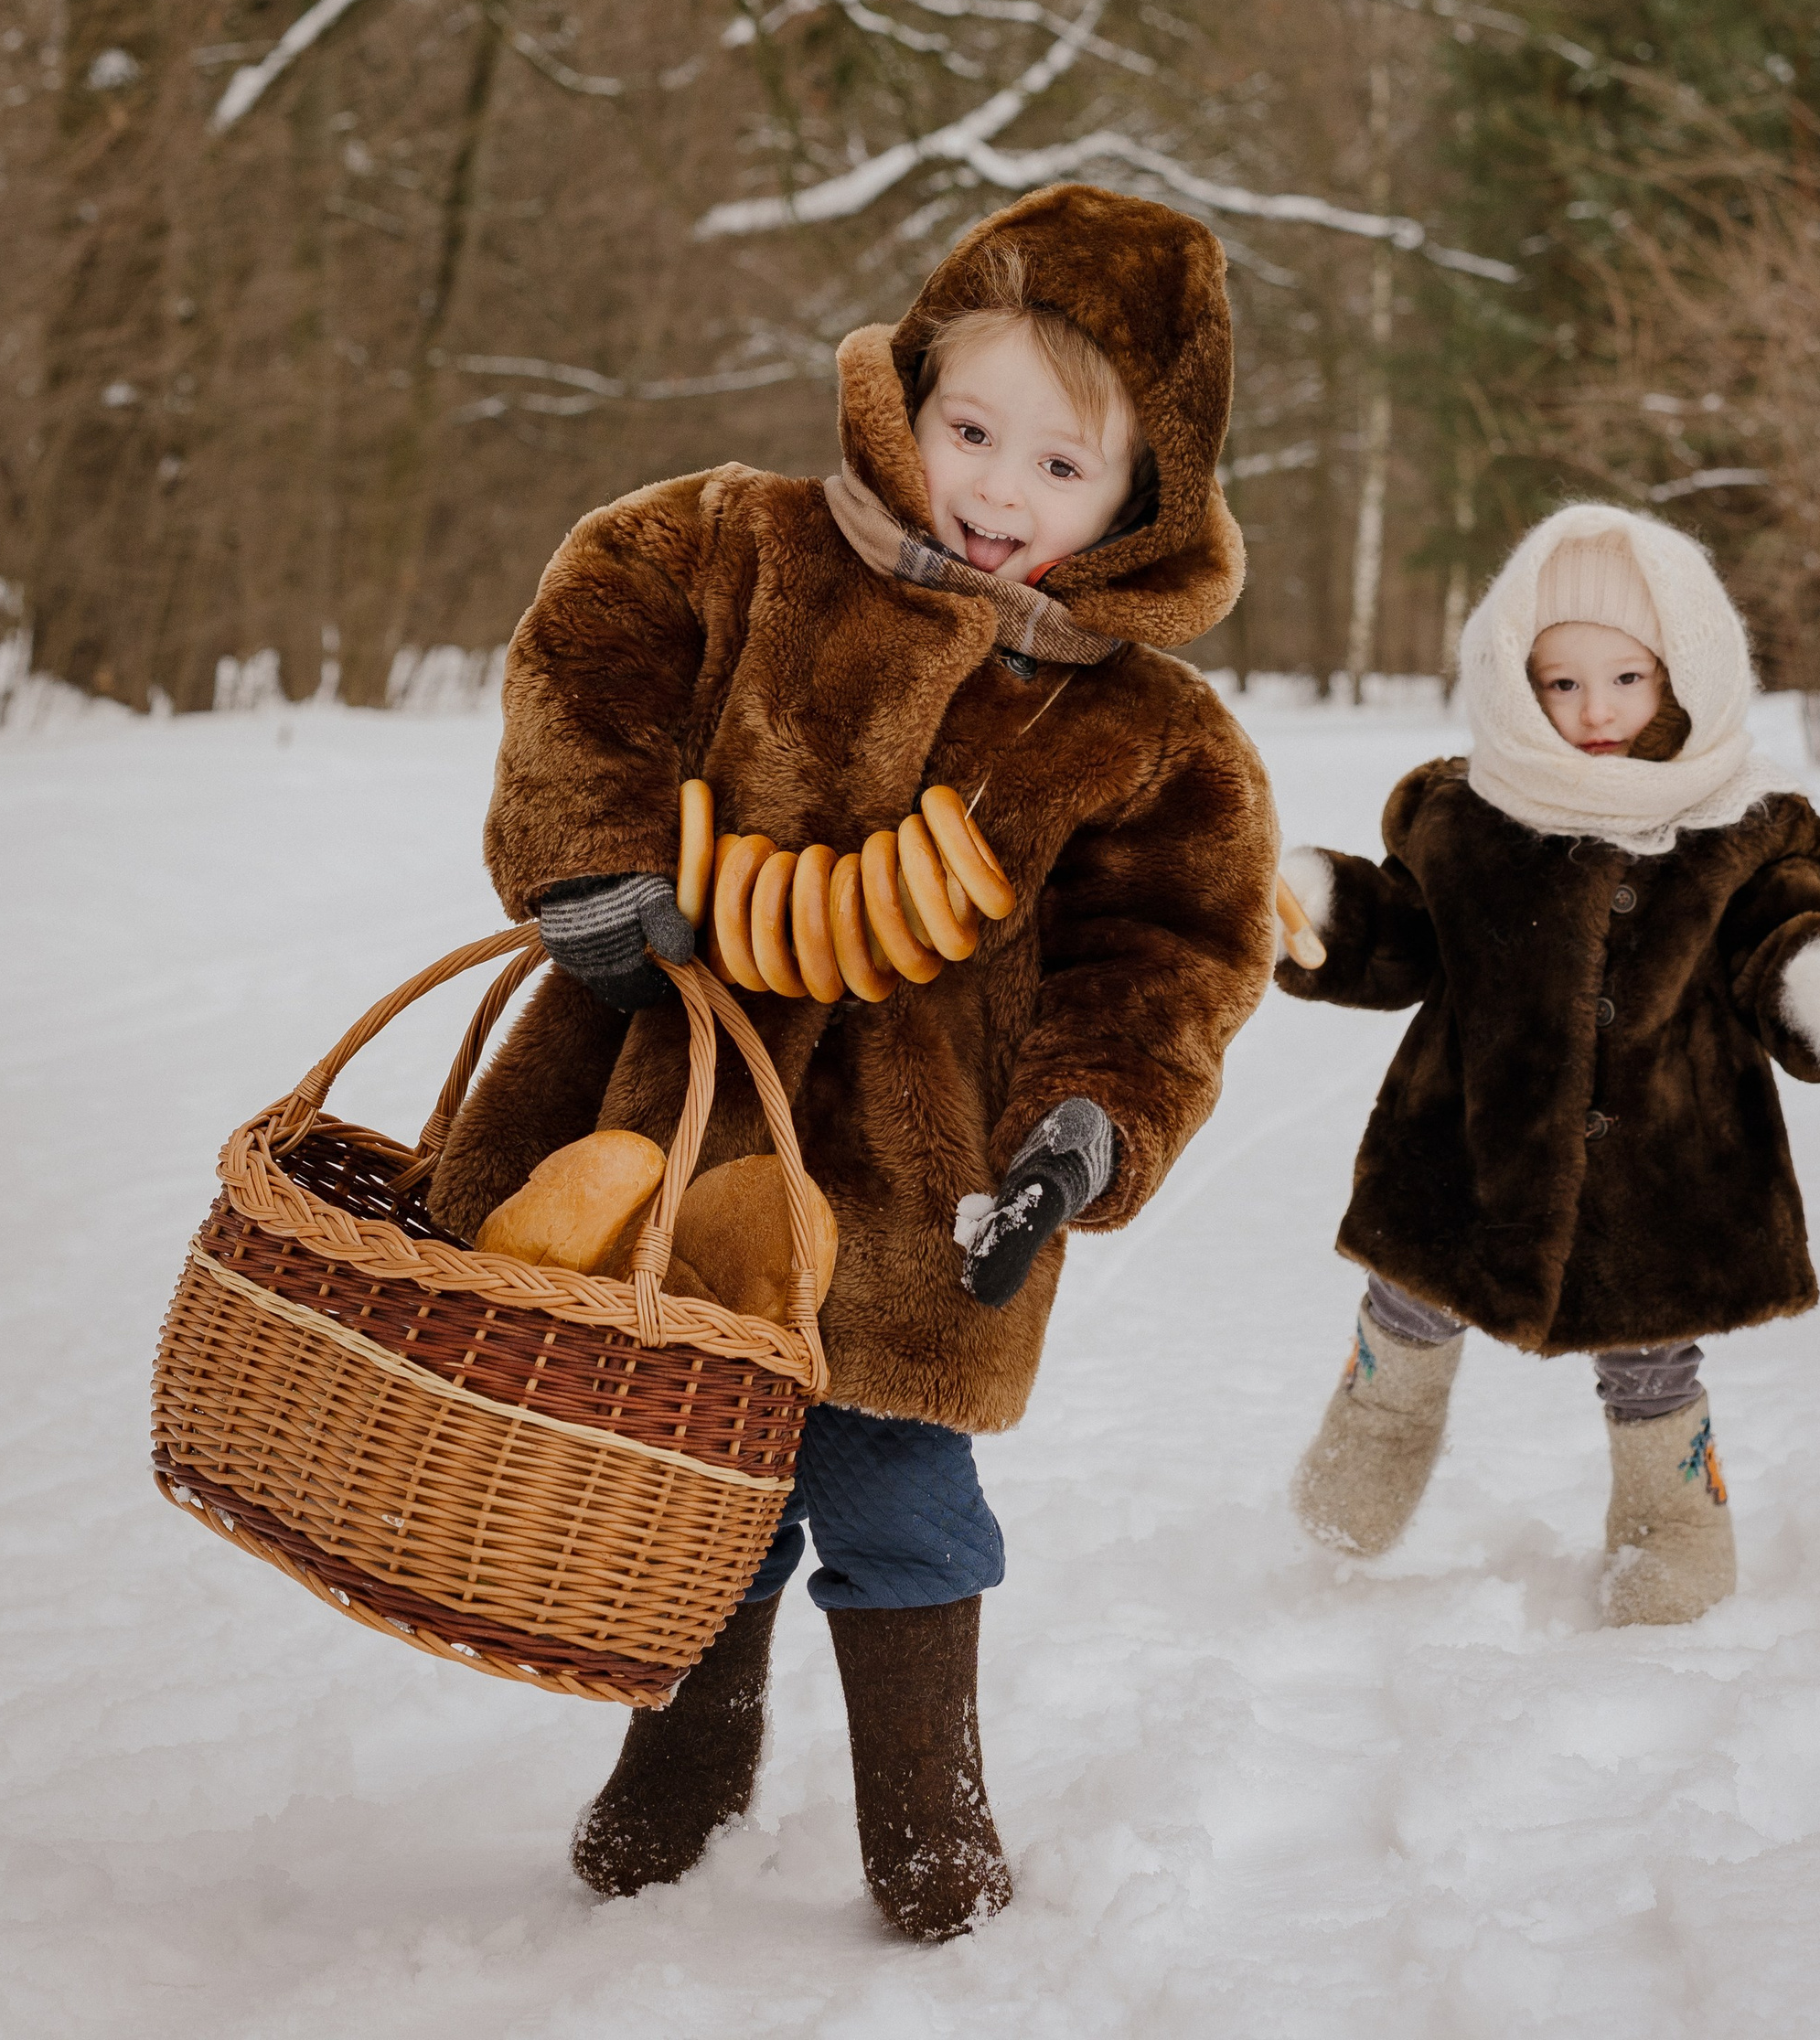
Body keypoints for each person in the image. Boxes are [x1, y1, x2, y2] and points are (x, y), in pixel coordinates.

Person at [425, 183, 1276, 1938]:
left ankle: (927, 1801)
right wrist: (593, 858)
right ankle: (689, 1751)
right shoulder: (733, 546)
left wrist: (1089, 1128)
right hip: (667, 1104)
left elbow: (1167, 956)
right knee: (691, 1454)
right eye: (974, 430)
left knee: (892, 1475)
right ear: (910, 393)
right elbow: (587, 659)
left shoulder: (1141, 733)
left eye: (1062, 468)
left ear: (1141, 501)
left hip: (924, 1177)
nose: (995, 489)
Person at [1275, 502, 1820, 1626]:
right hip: (1469, 1127)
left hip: (1668, 1154)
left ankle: (1672, 1522)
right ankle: (1376, 1431)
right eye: (1560, 683)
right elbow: (1407, 928)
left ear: (1685, 671)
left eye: (1626, 677)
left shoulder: (1742, 823)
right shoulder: (1464, 809)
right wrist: (1323, 911)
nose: (1594, 709)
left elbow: (1782, 925)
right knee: (1412, 1297)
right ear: (1515, 682)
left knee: (1654, 1355)